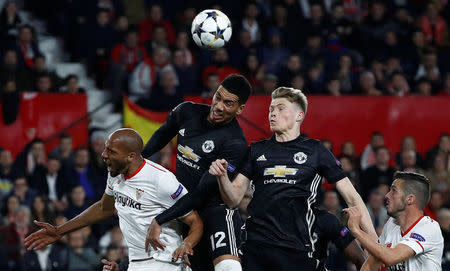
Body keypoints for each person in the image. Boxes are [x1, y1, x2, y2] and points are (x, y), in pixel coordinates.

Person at [209, 87, 377, 271]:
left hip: (297, 249)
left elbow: (352, 197)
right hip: (256, 248)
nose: (273, 113)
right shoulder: (256, 149)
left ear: (299, 115)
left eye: (280, 108)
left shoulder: (315, 150)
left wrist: (375, 242)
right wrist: (222, 176)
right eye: (271, 109)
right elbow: (233, 199)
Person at [24, 128, 203, 271]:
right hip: (136, 262)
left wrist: (186, 244)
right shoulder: (116, 174)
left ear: (131, 156)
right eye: (105, 148)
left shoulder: (161, 180)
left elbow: (195, 222)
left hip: (165, 262)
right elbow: (104, 208)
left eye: (111, 151)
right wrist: (59, 230)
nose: (104, 154)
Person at [142, 74, 252, 271]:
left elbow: (201, 193)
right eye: (218, 97)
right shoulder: (186, 111)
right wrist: (137, 159)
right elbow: (161, 136)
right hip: (186, 210)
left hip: (214, 211)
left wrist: (160, 219)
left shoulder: (235, 144)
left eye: (228, 103)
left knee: (227, 267)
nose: (218, 106)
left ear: (240, 109)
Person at [345, 171, 444, 270]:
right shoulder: (391, 224)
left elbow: (391, 257)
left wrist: (356, 230)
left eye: (394, 191)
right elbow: (373, 263)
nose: (387, 195)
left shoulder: (428, 228)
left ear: (409, 199)